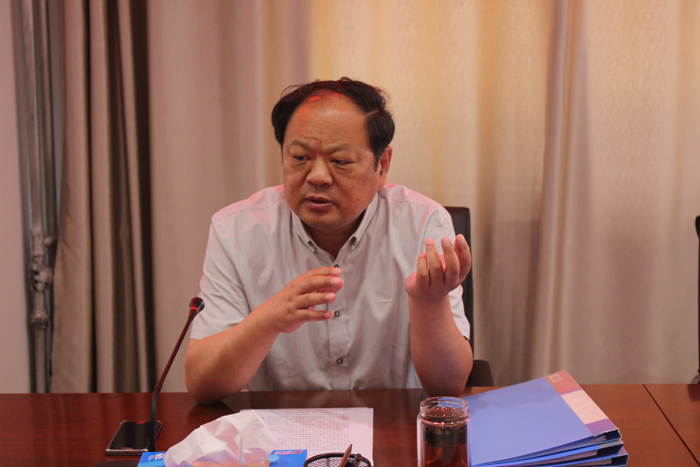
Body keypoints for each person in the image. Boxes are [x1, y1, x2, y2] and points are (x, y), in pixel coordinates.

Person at [185, 78, 473, 404]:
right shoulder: (235, 231)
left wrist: (429, 303)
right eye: (300, 157)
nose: (318, 176)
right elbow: (202, 384)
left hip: (393, 426)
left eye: (340, 161)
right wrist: (267, 320)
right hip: (283, 431)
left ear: (382, 165)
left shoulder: (423, 224)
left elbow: (448, 386)